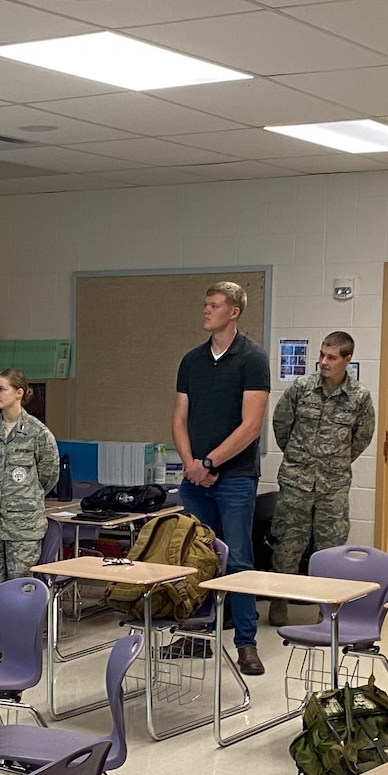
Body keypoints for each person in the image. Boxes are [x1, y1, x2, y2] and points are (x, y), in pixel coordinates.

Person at [171, 281, 272, 674]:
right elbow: (179, 418)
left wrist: (210, 463)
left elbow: (251, 426)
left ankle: (245, 642)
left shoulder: (252, 359)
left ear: (234, 312)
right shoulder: (191, 361)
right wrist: (192, 465)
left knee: (240, 560)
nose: (206, 310)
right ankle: (197, 635)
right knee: (196, 557)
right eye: (205, 304)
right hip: (195, 479)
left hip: (234, 478)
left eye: (214, 305)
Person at [268, 331, 374, 623]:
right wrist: (299, 457)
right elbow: (281, 425)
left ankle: (325, 609)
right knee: (288, 543)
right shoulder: (301, 388)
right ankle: (279, 601)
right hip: (295, 480)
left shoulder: (359, 397)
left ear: (347, 359)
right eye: (322, 355)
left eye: (331, 357)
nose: (323, 362)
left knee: (331, 548)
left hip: (334, 485)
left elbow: (361, 437)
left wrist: (333, 461)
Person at [0, 368, 57, 654]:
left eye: (2, 389)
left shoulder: (37, 433)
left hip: (23, 522)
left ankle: (19, 636)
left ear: (19, 393)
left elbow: (48, 475)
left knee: (20, 582)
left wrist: (24, 499)